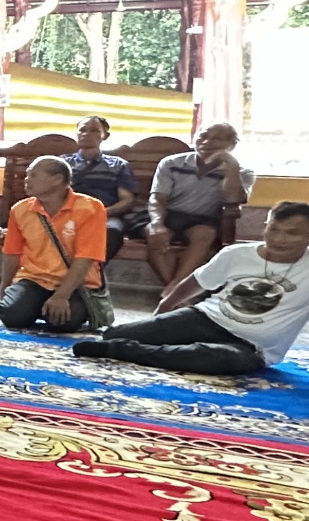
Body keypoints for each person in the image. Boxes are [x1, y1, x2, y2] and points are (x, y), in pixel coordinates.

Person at [77, 200, 309, 376]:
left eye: (291, 233)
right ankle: (163, 346)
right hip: (204, 318)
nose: (278, 239)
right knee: (115, 333)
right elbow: (195, 282)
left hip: (250, 347)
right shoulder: (237, 254)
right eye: (273, 229)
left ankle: (125, 352)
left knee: (221, 361)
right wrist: (164, 310)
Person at [0, 157, 108, 333]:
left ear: (57, 179)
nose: (26, 180)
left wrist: (62, 295)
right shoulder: (20, 209)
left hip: (77, 284)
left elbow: (86, 258)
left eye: (33, 175)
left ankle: (53, 307)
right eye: (27, 175)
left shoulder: (91, 208)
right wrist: (5, 286)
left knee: (64, 323)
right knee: (11, 315)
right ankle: (38, 306)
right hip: (34, 279)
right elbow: (12, 252)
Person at [145, 123, 254, 289]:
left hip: (204, 220)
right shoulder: (172, 163)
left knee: (204, 235)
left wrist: (231, 166)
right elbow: (157, 198)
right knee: (155, 235)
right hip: (169, 214)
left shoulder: (243, 172)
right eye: (203, 136)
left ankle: (173, 292)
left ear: (231, 145)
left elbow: (233, 199)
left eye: (217, 138)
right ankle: (176, 292)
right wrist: (157, 224)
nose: (207, 142)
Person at [63, 115, 142, 262]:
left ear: (105, 136)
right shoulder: (63, 163)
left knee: (112, 232)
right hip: (67, 214)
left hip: (105, 216)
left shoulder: (118, 165)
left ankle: (91, 275)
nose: (86, 134)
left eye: (93, 130)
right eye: (82, 130)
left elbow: (127, 200)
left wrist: (101, 213)